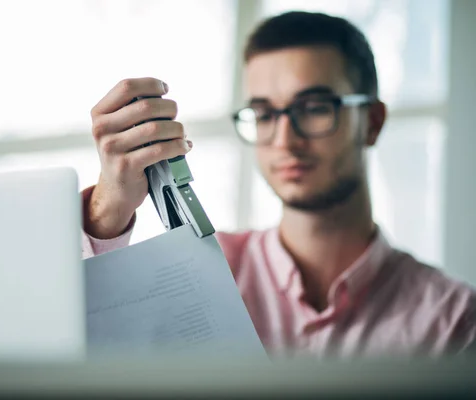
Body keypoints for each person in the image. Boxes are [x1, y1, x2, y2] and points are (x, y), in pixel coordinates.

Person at [80, 11, 475, 357]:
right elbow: (85, 353)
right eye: (264, 113)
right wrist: (107, 213)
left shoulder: (453, 321)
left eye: (315, 108)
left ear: (371, 122)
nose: (285, 140)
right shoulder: (201, 273)